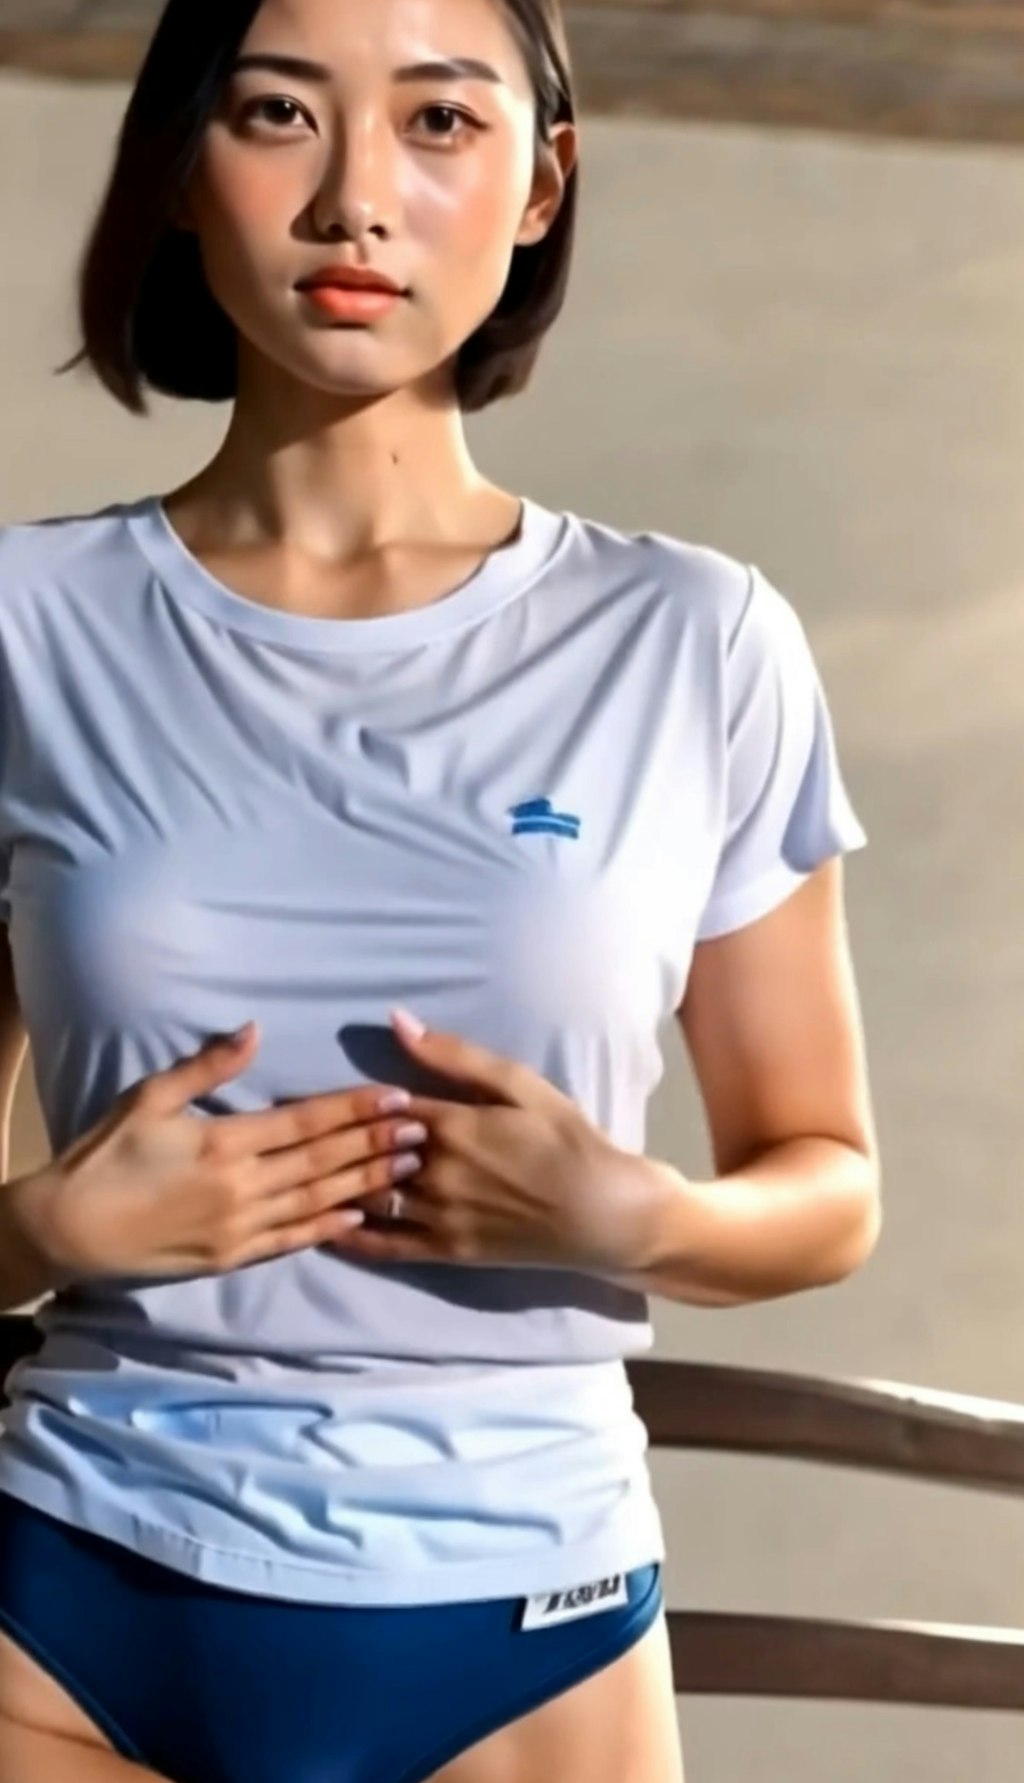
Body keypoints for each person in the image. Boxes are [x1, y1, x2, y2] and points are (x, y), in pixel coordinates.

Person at [0, 0, 881, 1778]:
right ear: (179, 167)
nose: (355, 200)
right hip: (72, 1596)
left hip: (530, 1618)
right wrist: (52, 1234)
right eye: (277, 113)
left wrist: (631, 1216)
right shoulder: (26, 625)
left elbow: (828, 1186)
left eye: (439, 123)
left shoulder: (697, 639)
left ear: (543, 185)